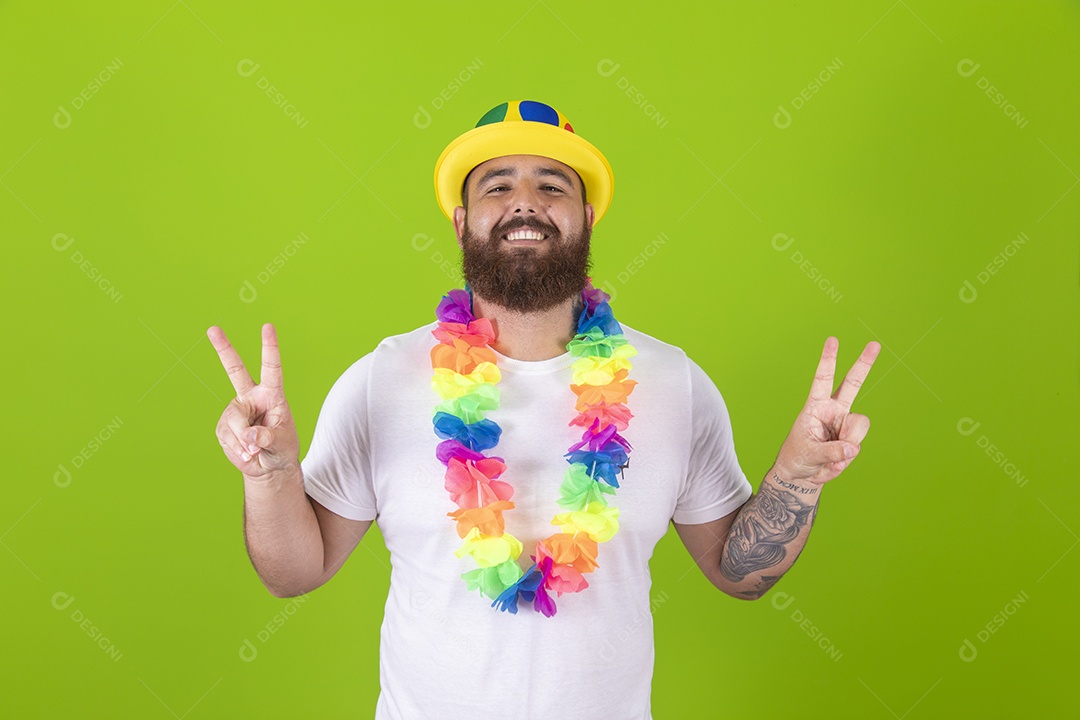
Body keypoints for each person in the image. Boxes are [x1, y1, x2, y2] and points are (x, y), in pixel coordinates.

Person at [207, 99, 880, 719]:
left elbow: (741, 575)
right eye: (496, 185)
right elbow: (294, 574)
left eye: (552, 186)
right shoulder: (380, 380)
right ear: (461, 220)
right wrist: (269, 475)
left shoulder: (674, 383)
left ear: (587, 217)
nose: (524, 203)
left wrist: (798, 476)